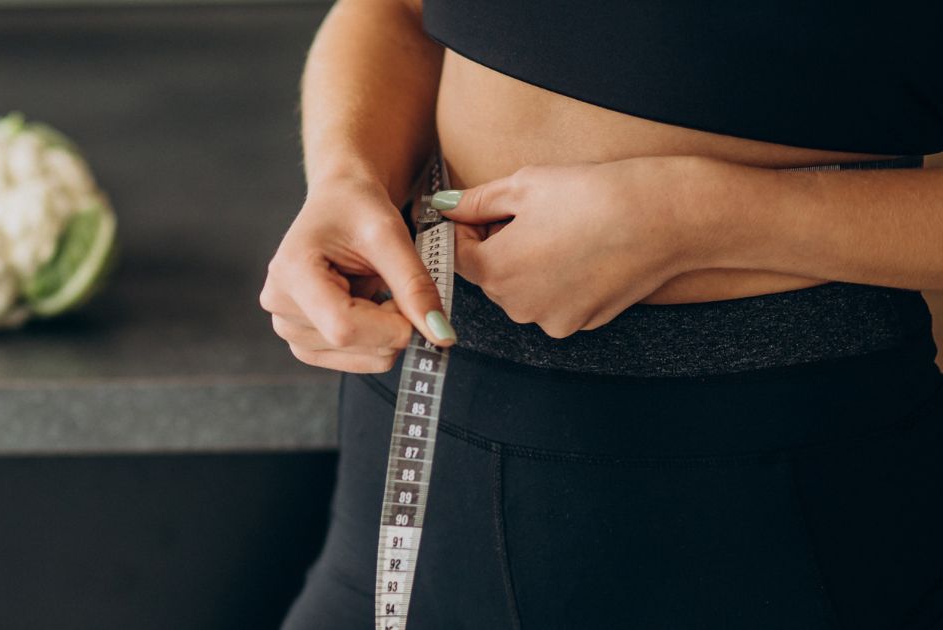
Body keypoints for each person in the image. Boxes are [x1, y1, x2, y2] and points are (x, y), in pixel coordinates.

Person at [261, 0, 943, 627]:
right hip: (421, 423)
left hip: (768, 487)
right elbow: (394, 11)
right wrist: (347, 178)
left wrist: (703, 217)